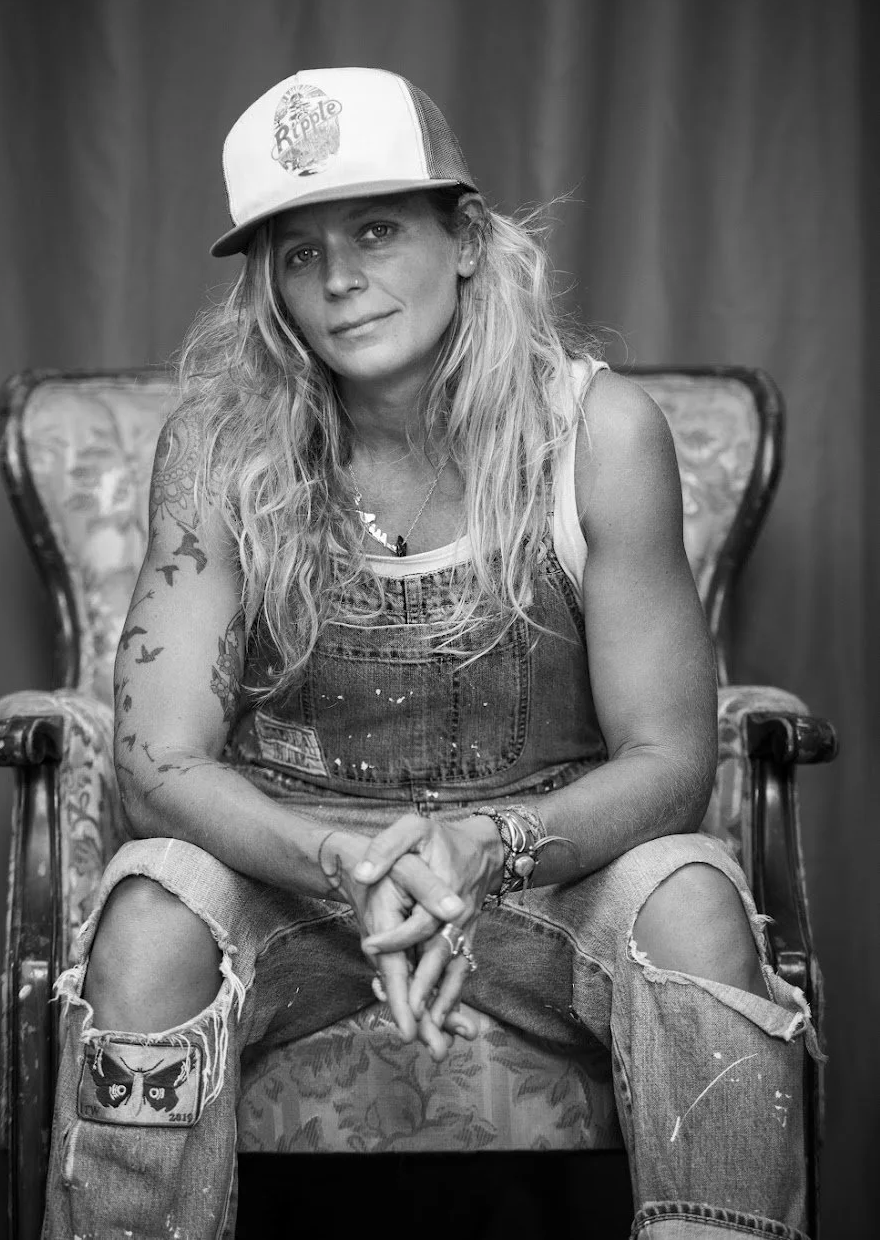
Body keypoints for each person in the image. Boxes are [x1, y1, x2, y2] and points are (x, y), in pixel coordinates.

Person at [42, 67, 820, 1240]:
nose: (341, 278)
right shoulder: (221, 448)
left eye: (374, 229)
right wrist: (345, 861)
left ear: (464, 239)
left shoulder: (596, 434)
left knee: (695, 897)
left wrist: (482, 850)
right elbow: (158, 759)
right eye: (298, 253)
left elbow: (668, 758)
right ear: (269, 287)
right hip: (290, 878)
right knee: (154, 907)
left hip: (543, 873)